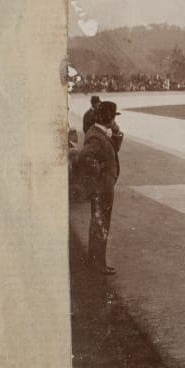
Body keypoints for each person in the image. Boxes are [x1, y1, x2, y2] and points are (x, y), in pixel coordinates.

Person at [78, 101, 121, 275]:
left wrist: (117, 133)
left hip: (104, 187)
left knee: (101, 224)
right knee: (100, 225)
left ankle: (98, 261)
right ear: (108, 118)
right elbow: (85, 157)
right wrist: (100, 175)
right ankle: (97, 263)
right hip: (102, 188)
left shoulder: (100, 133)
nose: (114, 120)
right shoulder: (96, 136)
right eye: (113, 117)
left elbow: (111, 150)